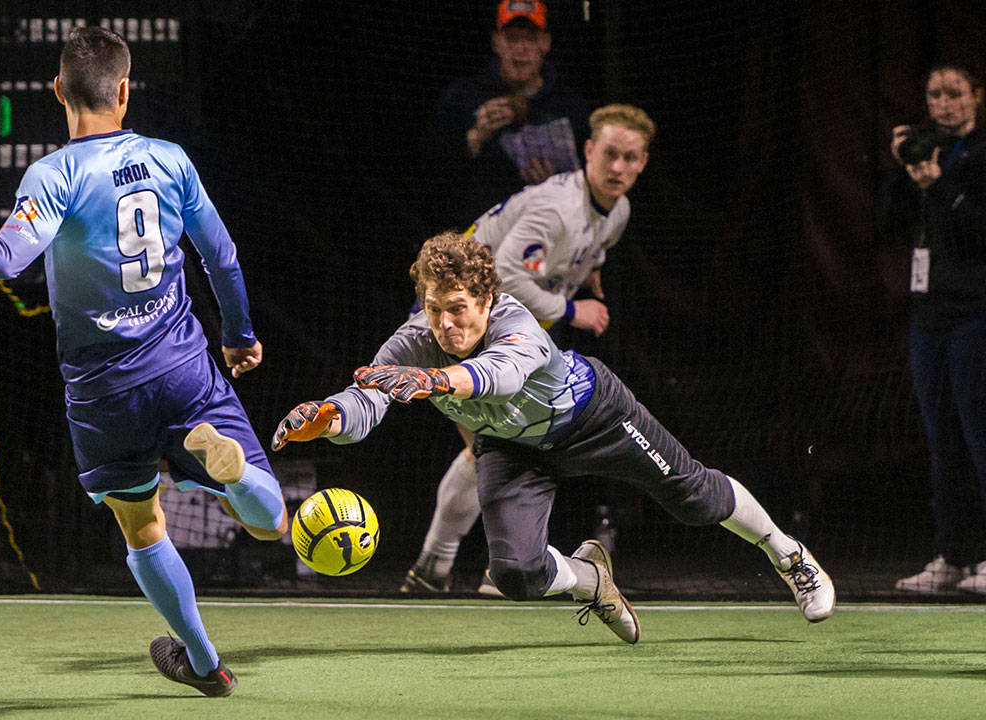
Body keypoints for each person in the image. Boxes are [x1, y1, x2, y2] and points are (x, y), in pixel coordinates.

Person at [0, 27, 287, 697]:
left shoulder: (53, 175)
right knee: (268, 520)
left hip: (102, 387)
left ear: (58, 90)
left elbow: (4, 259)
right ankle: (229, 475)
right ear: (123, 90)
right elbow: (222, 257)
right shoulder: (170, 160)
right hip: (180, 364)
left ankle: (204, 662)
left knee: (142, 526)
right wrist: (238, 334)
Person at [272, 233, 835, 641]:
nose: (444, 324)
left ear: (486, 300)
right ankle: (590, 578)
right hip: (512, 447)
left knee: (695, 500)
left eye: (458, 309)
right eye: (434, 308)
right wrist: (332, 418)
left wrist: (432, 381)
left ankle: (789, 555)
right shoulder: (413, 340)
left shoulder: (517, 324)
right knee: (515, 574)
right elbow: (371, 396)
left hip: (593, 417)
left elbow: (499, 377)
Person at [400, 104, 654, 594]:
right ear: (587, 151)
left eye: (630, 157)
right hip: (459, 326)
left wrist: (588, 269)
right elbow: (509, 275)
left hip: (510, 337)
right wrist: (574, 310)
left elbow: (590, 247)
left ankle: (438, 569)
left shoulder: (616, 210)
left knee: (498, 447)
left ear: (643, 162)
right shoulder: (555, 207)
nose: (618, 167)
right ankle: (467, 567)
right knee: (496, 447)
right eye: (609, 154)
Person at [883, 60, 986, 595]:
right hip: (929, 318)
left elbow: (978, 232)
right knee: (942, 440)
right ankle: (953, 555)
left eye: (954, 93)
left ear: (976, 97)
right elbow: (887, 221)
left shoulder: (979, 156)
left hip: (975, 315)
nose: (943, 103)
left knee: (979, 436)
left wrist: (941, 185)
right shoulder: (926, 152)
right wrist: (905, 171)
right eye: (934, 95)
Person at [432, 0, 591, 228]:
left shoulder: (570, 106)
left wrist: (555, 186)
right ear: (496, 42)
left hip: (545, 235)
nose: (521, 48)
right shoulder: (462, 96)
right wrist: (475, 137)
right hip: (475, 237)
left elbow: (589, 183)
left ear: (545, 43)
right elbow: (429, 172)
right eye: (512, 39)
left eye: (531, 39)